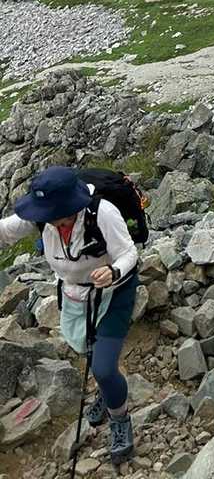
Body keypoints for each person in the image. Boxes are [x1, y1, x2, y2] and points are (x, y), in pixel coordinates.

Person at [0, 167, 138, 465]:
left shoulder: (103, 213)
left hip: (114, 292)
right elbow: (5, 230)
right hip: (76, 294)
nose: (47, 218)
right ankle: (108, 392)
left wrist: (113, 271)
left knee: (103, 368)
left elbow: (129, 253)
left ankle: (120, 420)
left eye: (53, 214)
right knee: (87, 348)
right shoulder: (43, 217)